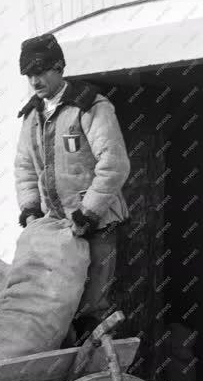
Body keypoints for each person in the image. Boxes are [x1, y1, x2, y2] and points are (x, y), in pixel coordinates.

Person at [14, 33, 130, 342]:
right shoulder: (32, 117)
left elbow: (114, 164)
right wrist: (30, 210)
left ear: (59, 68)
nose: (35, 80)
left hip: (97, 225)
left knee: (95, 307)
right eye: (29, 74)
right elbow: (25, 167)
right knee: (58, 306)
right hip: (56, 229)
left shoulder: (90, 107)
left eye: (41, 71)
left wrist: (88, 213)